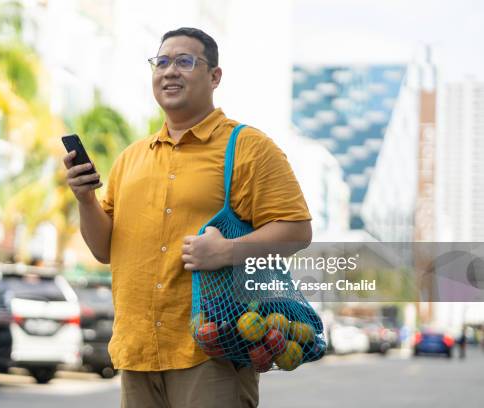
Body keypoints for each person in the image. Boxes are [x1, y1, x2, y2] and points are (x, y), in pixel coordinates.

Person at [64, 27, 312, 408]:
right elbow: (103, 249)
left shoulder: (248, 147)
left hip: (212, 351)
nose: (169, 71)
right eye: (161, 62)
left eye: (185, 61)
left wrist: (226, 251)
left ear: (214, 77)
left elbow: (297, 231)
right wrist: (85, 200)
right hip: (138, 354)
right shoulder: (131, 158)